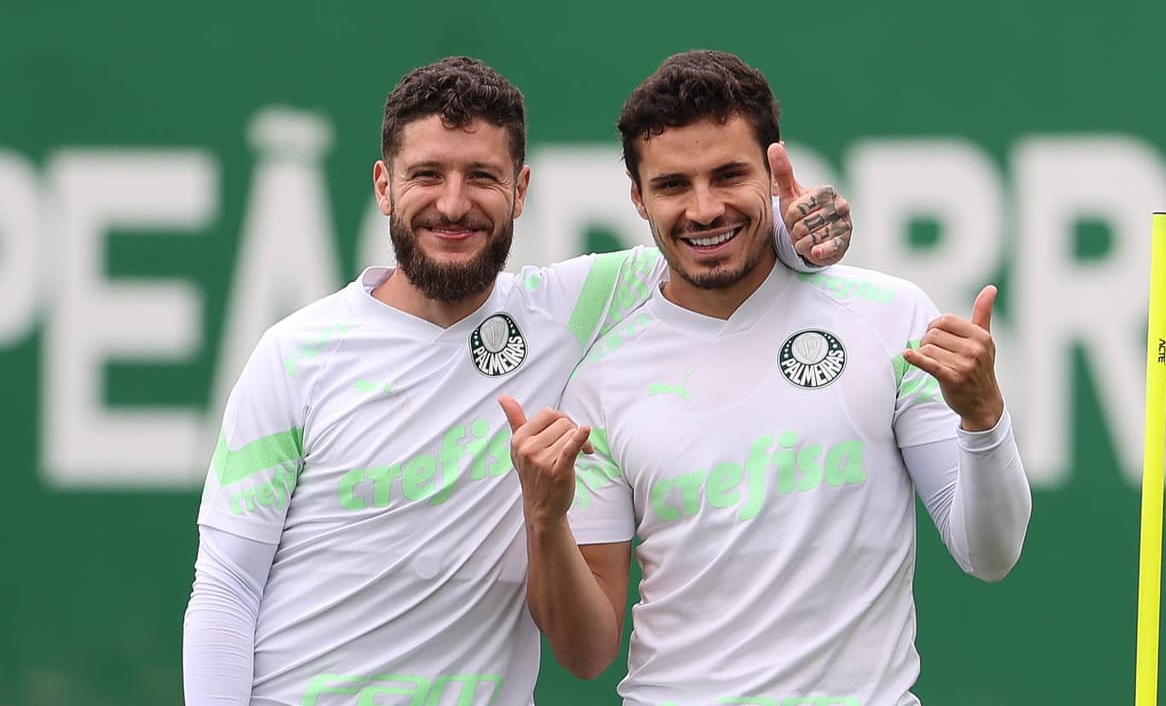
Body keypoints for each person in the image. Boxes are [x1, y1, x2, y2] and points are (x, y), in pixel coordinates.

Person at [181, 55, 853, 705]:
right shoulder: (295, 354)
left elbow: (711, 244)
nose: (453, 204)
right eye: (427, 175)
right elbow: (227, 585)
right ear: (384, 185)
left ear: (520, 190)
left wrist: (794, 238)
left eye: (481, 176)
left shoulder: (564, 310)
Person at [501, 50, 1033, 706]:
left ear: (774, 172)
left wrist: (983, 417)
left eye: (728, 175)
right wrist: (545, 520)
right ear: (638, 197)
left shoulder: (890, 316)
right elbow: (586, 655)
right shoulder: (602, 376)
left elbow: (992, 552)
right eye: (673, 185)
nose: (703, 209)